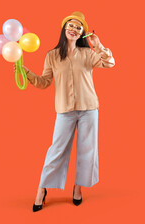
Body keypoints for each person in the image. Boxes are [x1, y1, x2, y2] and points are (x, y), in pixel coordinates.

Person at [17, 11, 115, 211]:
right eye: (71, 25)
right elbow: (45, 82)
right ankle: (41, 190)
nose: (74, 29)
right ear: (64, 29)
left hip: (89, 109)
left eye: (78, 28)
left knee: (87, 151)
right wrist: (26, 73)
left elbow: (110, 63)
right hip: (64, 110)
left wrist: (98, 44)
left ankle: (78, 188)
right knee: (57, 150)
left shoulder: (88, 54)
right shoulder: (52, 56)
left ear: (82, 34)